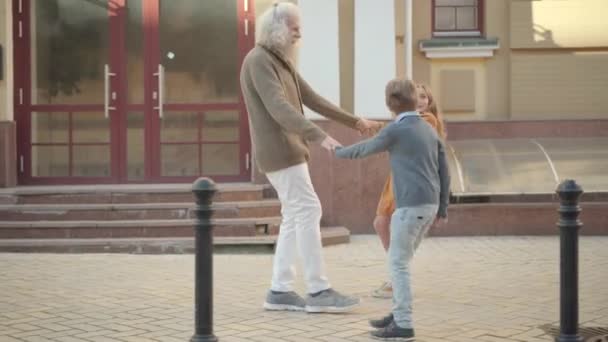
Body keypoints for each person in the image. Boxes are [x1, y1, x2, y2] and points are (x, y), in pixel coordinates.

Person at [239, 1, 379, 313]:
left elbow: (312, 98)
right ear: (276, 30)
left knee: (295, 215)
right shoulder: (259, 61)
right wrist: (319, 136)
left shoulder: (280, 60)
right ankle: (318, 291)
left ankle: (280, 290)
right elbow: (279, 108)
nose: (299, 34)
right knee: (308, 209)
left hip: (289, 149)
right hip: (280, 151)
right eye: (294, 28)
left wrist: (355, 122)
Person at [335, 78, 450, 339]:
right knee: (402, 261)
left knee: (398, 265)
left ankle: (404, 324)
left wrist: (337, 151)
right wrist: (442, 209)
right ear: (414, 101)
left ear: (389, 104)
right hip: (429, 206)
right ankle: (398, 313)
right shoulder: (428, 128)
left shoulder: (397, 130)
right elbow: (445, 171)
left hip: (409, 207)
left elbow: (365, 148)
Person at [372, 83, 447, 299]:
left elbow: (400, 131)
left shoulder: (428, 120)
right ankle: (396, 273)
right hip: (397, 178)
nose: (422, 101)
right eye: (418, 97)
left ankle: (396, 277)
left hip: (411, 181)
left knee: (391, 227)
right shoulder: (406, 120)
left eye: (425, 97)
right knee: (380, 223)